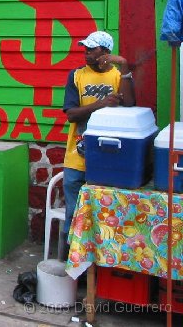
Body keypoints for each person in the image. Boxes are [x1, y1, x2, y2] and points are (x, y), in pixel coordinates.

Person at [61, 30, 135, 256]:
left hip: (108, 159)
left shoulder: (117, 76)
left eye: (91, 49)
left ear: (106, 53)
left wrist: (124, 65)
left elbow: (130, 104)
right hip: (77, 156)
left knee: (105, 216)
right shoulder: (76, 76)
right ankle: (70, 263)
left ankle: (97, 265)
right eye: (85, 49)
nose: (86, 53)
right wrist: (101, 104)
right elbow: (71, 114)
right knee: (73, 213)